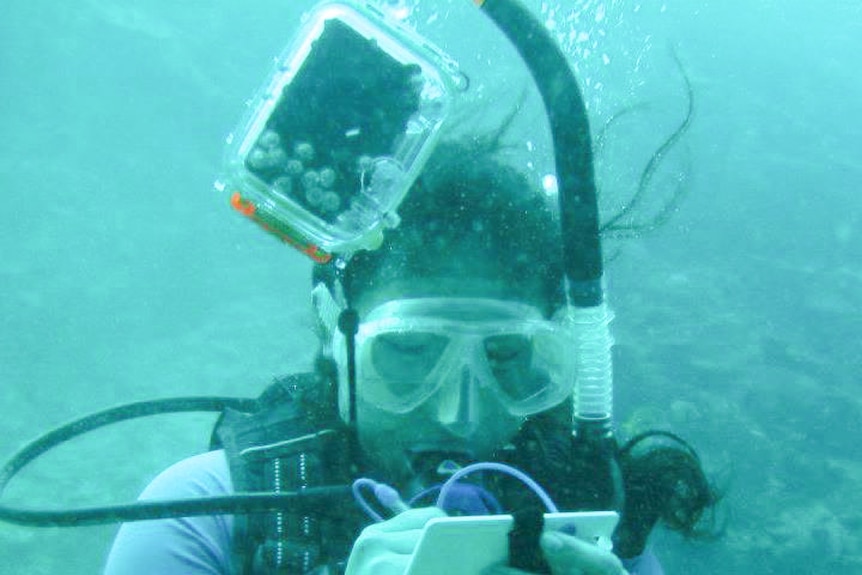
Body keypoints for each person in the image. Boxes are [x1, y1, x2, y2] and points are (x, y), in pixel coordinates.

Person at [103, 125, 719, 575]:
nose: (459, 413)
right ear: (335, 335)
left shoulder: (580, 515)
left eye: (504, 357)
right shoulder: (205, 514)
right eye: (409, 351)